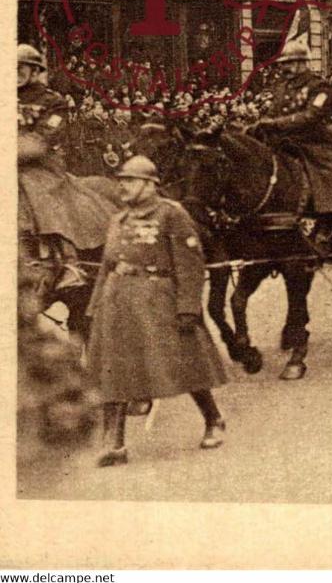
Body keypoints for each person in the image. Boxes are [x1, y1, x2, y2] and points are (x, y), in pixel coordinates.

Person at [85, 156, 228, 467]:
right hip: (117, 300)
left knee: (183, 362)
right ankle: (115, 444)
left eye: (130, 180)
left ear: (150, 185)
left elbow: (190, 264)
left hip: (157, 300)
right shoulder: (118, 219)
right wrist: (95, 305)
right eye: (121, 180)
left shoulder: (170, 214)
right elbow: (106, 266)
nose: (122, 186)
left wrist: (189, 308)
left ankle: (213, 418)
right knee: (115, 368)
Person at [17, 44, 116, 289]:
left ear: (34, 70)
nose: (15, 72)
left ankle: (69, 260)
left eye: (21, 68)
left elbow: (44, 138)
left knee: (36, 189)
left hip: (40, 165)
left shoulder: (53, 101)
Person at [251, 40, 332, 218]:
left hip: (314, 142)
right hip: (283, 141)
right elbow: (273, 112)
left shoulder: (318, 86)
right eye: (283, 64)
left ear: (302, 63)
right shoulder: (282, 87)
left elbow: (312, 116)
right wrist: (262, 123)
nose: (284, 67)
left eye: (289, 62)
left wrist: (277, 123)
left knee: (329, 173)